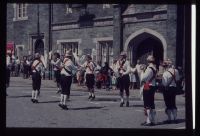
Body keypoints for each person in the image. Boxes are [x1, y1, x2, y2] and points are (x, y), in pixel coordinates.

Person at [140, 55, 157, 126]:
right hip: (152, 86)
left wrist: (142, 71)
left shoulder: (149, 68)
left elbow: (143, 78)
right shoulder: (155, 68)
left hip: (148, 86)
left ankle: (149, 121)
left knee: (147, 104)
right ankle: (152, 120)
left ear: (148, 61)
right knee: (151, 104)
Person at [162, 59, 180, 124]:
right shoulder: (176, 71)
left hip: (167, 89)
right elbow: (178, 80)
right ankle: (175, 118)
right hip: (174, 88)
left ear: (166, 66)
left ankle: (169, 119)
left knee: (168, 104)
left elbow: (164, 84)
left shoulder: (165, 73)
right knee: (173, 103)